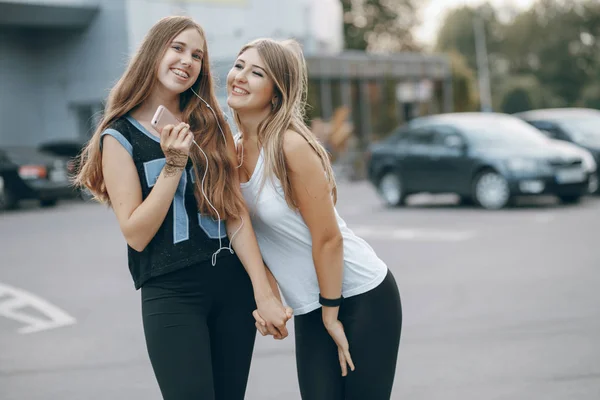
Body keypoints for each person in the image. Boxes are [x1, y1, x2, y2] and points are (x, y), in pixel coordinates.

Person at [74, 17, 291, 400]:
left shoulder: (211, 123)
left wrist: (264, 291)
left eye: (197, 56)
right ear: (153, 52)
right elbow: (137, 234)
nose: (187, 61)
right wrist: (173, 165)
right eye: (177, 48)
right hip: (171, 292)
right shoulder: (119, 136)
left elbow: (235, 212)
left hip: (232, 287)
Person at [226, 38, 403, 400]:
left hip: (359, 296)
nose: (240, 76)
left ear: (276, 92)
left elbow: (329, 238)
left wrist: (331, 313)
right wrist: (267, 297)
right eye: (239, 65)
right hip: (312, 306)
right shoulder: (232, 149)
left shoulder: (290, 146)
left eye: (256, 72)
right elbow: (251, 237)